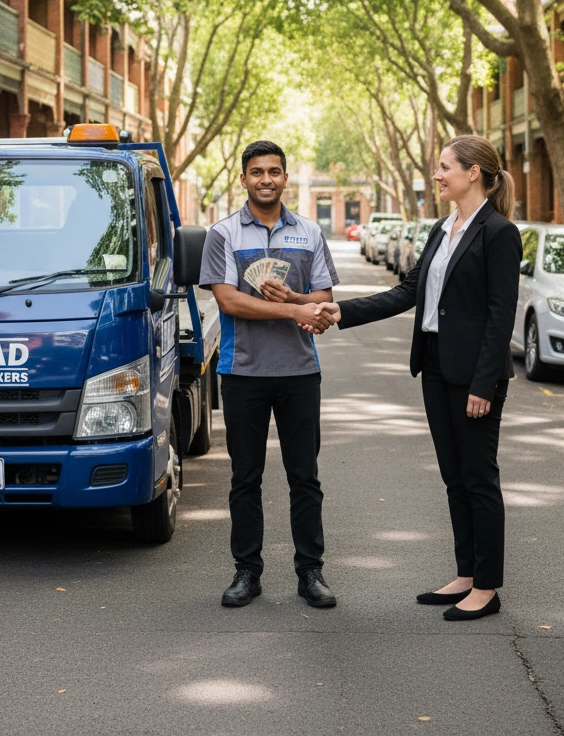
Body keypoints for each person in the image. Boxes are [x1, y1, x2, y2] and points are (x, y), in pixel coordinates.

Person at [312, 136, 521, 621]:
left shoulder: (498, 232)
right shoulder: (441, 228)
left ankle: (487, 588)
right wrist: (340, 310)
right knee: (454, 479)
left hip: (473, 375)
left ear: (473, 173)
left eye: (445, 167)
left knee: (479, 479)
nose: (438, 174)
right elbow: (407, 291)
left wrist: (483, 385)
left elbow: (500, 316)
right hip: (434, 364)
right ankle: (466, 575)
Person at [199, 140, 339, 610]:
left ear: (284, 177)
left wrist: (296, 299)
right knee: (245, 478)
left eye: (274, 172)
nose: (266, 179)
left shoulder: (309, 233)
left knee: (305, 477)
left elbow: (321, 296)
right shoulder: (221, 235)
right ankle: (247, 572)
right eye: (257, 172)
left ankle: (310, 572)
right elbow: (229, 301)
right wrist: (289, 310)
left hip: (300, 371)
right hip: (242, 372)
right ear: (243, 179)